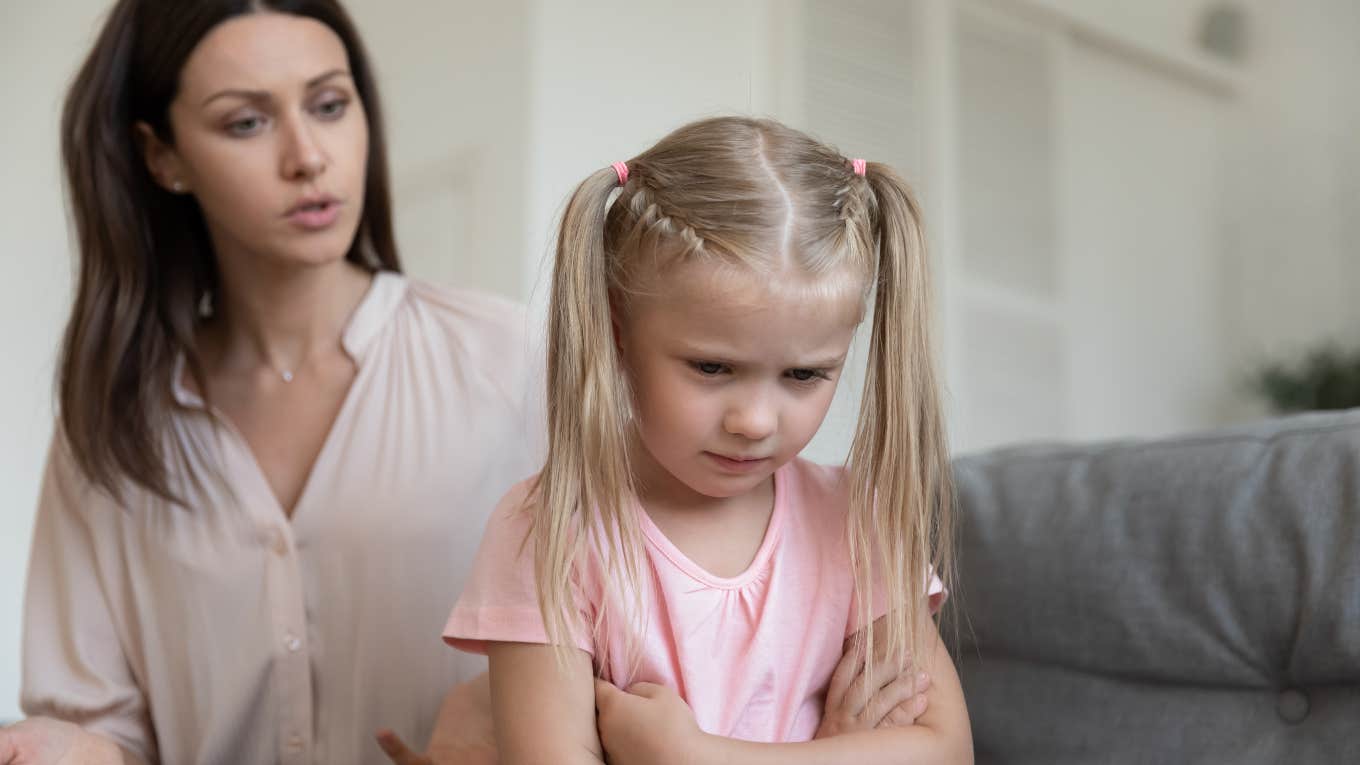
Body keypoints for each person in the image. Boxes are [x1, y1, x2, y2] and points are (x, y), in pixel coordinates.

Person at [0, 1, 539, 763]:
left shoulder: (515, 358)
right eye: (246, 123)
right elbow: (104, 731)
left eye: (328, 105)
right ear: (163, 157)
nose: (307, 155)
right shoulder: (112, 424)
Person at [444, 116, 973, 764]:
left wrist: (697, 755)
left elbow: (944, 750)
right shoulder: (550, 530)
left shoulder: (854, 521)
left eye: (804, 374)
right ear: (617, 330)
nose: (754, 420)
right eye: (712, 368)